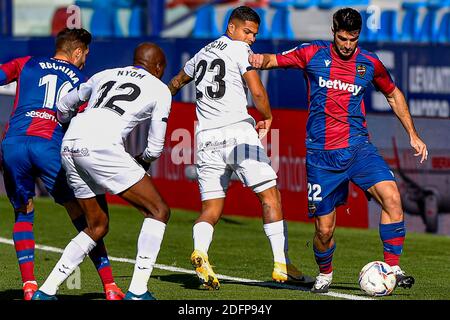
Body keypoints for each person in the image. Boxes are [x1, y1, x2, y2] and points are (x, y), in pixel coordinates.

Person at [249, 7, 428, 293]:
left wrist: (413, 134)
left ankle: (392, 266)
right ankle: (325, 273)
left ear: (359, 35)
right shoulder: (312, 54)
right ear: (334, 32)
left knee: (393, 197)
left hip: (358, 149)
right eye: (343, 38)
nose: (347, 45)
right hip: (322, 157)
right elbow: (274, 60)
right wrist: (259, 59)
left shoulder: (369, 63)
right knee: (324, 230)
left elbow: (393, 93)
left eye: (353, 39)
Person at [168, 6, 312, 290]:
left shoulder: (201, 54)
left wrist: (161, 97)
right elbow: (256, 90)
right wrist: (268, 117)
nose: (251, 39)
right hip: (238, 133)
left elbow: (176, 82)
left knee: (211, 208)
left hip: (207, 139)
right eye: (247, 32)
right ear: (231, 27)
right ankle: (280, 263)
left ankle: (201, 252)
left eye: (255, 35)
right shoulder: (238, 51)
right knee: (270, 196)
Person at [32, 42, 172, 300]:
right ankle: (139, 291)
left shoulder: (103, 74)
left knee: (97, 225)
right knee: (158, 211)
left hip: (70, 144)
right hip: (101, 146)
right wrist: (142, 162)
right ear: (159, 67)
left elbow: (64, 106)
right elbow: (155, 147)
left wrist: (69, 127)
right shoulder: (160, 89)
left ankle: (46, 290)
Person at [0, 28, 124, 300]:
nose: (85, 61)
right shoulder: (83, 79)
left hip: (14, 144)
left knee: (23, 212)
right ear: (78, 51)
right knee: (86, 217)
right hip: (49, 147)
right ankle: (110, 286)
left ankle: (30, 286)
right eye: (85, 55)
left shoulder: (26, 62)